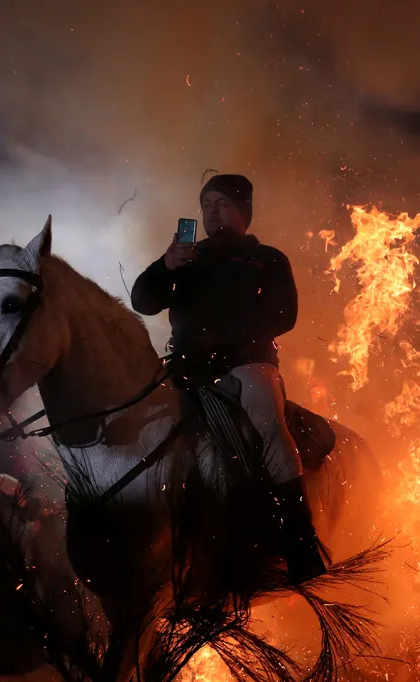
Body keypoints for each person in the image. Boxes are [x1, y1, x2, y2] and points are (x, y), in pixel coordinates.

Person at [130, 173, 327, 585]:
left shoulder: (268, 259)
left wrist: (223, 339)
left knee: (268, 425)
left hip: (247, 364)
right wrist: (165, 265)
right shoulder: (186, 258)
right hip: (186, 370)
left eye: (222, 203)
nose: (212, 211)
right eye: (207, 204)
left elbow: (282, 316)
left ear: (243, 212)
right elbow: (143, 302)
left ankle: (300, 541)